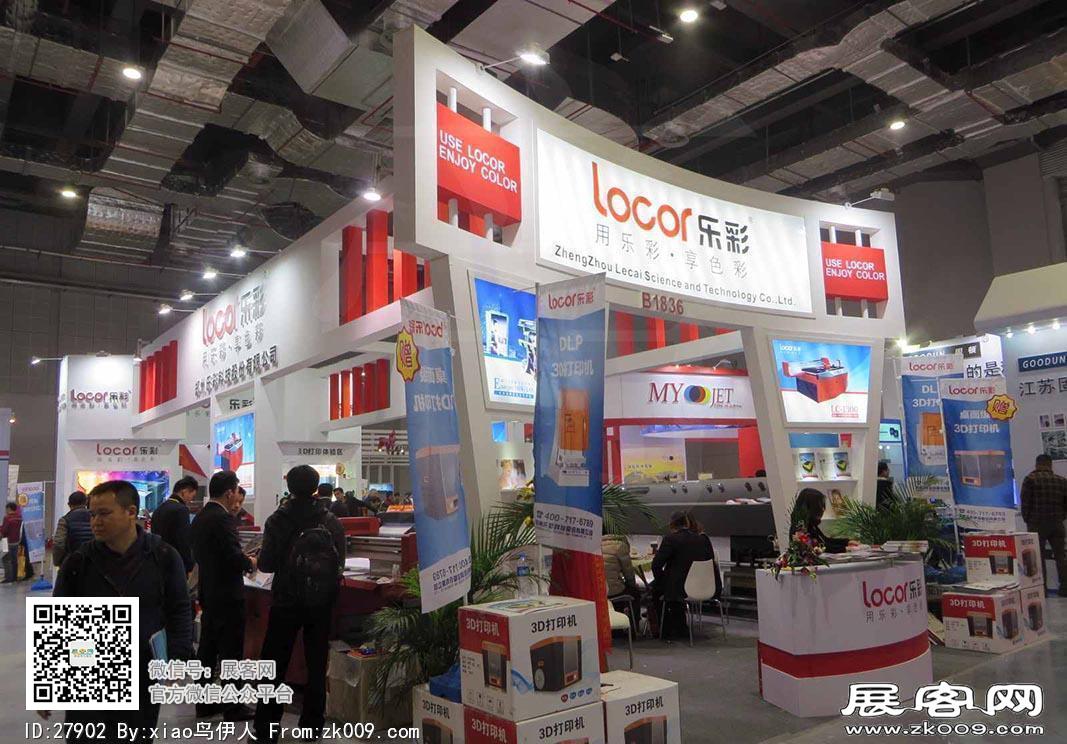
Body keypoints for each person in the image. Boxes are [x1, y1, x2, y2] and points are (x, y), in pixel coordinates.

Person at [51, 480, 192, 743]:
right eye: (93, 514)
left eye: (104, 514)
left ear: (131, 512)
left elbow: (179, 609)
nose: (95, 522)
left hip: (142, 673)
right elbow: (59, 620)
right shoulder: (78, 562)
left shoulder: (163, 556)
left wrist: (177, 657)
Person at [253, 465, 346, 743]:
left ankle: (267, 727)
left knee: (274, 664)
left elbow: (267, 564)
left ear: (289, 487)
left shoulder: (277, 520)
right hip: (320, 602)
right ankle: (312, 726)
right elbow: (339, 563)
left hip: (285, 600)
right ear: (316, 487)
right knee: (317, 664)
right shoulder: (330, 520)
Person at [191, 471, 256, 721]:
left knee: (208, 648)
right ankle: (233, 705)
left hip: (209, 591)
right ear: (229, 492)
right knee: (231, 651)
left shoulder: (201, 517)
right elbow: (232, 556)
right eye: (237, 490)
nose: (237, 496)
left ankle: (204, 702)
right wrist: (250, 562)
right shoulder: (222, 519)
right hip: (228, 593)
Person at [650, 511, 714, 639]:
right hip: (703, 586)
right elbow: (710, 560)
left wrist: (662, 581)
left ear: (671, 525)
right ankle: (680, 627)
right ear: (687, 523)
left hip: (678, 588)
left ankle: (666, 630)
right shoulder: (702, 539)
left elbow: (656, 565)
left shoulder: (670, 539)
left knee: (655, 589)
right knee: (668, 587)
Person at [1020, 454, 1067, 595]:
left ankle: (1042, 589)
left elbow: (1025, 503)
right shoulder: (1062, 481)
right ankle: (1065, 588)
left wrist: (1028, 520)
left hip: (1037, 524)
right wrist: (1060, 517)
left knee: (1038, 558)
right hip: (1057, 524)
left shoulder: (1030, 479)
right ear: (1050, 465)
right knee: (1061, 557)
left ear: (1037, 464)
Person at [151, 476, 197, 575]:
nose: (190, 500)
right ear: (184, 492)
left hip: (158, 562)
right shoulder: (181, 510)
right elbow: (183, 540)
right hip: (176, 565)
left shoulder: (158, 509)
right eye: (192, 496)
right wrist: (189, 566)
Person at [602, 532, 641, 631]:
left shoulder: (594, 545)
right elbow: (628, 573)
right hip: (614, 590)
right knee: (636, 593)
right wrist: (632, 584)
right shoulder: (620, 546)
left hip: (598, 591)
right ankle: (634, 628)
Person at [52, 491, 93, 567]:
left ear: (69, 504)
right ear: (86, 502)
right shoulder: (95, 517)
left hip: (72, 564)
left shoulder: (64, 520)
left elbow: (58, 544)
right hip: (93, 562)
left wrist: (58, 562)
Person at [1, 502, 22, 582]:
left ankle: (8, 578)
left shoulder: (7, 518)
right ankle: (14, 577)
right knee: (14, 560)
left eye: (6, 509)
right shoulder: (19, 517)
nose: (6, 511)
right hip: (16, 541)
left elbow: (4, 530)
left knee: (6, 560)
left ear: (9, 508)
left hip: (6, 542)